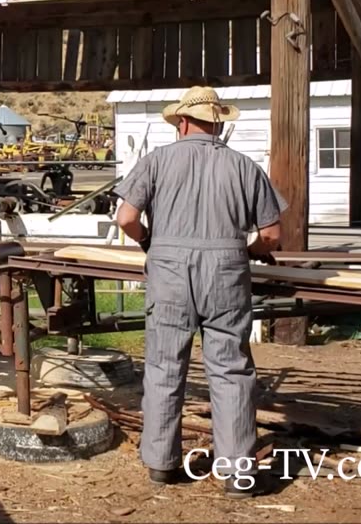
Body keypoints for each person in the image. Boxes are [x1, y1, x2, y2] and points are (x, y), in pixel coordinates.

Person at [112, 86, 282, 499]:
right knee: (231, 371)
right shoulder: (244, 167)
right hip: (226, 273)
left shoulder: (156, 162)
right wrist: (245, 250)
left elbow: (126, 217)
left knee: (165, 366)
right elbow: (272, 234)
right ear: (218, 122)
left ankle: (161, 464)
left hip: (169, 273)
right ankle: (237, 473)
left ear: (182, 122)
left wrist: (151, 241)